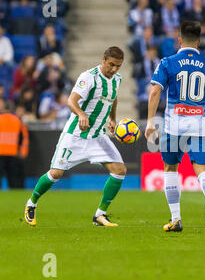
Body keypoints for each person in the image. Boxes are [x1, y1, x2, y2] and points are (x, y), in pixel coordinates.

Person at [23, 46, 127, 227]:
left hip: (97, 136)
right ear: (103, 59)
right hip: (76, 135)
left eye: (118, 66)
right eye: (111, 65)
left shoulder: (116, 79)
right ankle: (31, 203)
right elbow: (71, 100)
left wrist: (112, 118)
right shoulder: (89, 77)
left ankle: (100, 215)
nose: (114, 69)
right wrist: (81, 114)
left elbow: (114, 97)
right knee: (55, 174)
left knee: (120, 170)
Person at [145, 20, 205, 234]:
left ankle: (176, 219)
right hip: (198, 125)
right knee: (203, 170)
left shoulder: (167, 62)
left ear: (179, 40)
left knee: (171, 169)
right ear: (199, 42)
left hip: (173, 126)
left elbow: (154, 92)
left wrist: (151, 121)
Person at [0, 98, 29, 189]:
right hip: (12, 153)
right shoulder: (17, 120)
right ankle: (13, 192)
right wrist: (19, 149)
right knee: (12, 177)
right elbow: (20, 137)